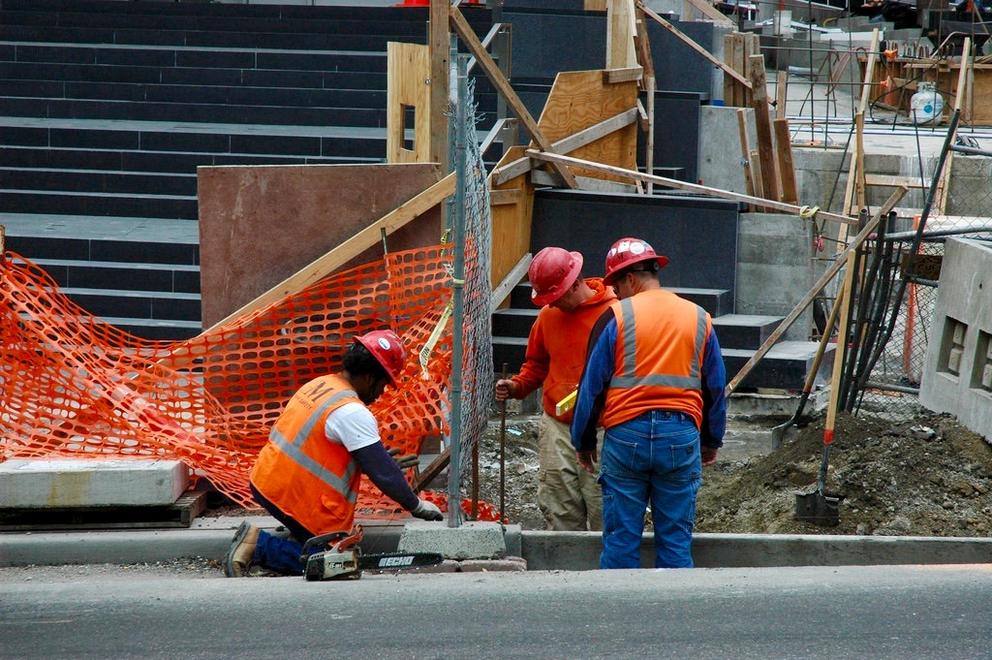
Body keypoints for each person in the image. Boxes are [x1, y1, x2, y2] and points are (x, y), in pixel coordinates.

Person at [225, 329, 443, 577]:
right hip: (292, 498)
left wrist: (374, 460)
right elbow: (383, 474)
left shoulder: (322, 384)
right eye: (384, 385)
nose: (381, 393)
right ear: (371, 378)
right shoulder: (352, 411)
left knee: (336, 550)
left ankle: (299, 536)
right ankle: (258, 546)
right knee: (339, 566)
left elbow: (322, 447)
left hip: (267, 482)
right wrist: (416, 505)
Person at [570, 237, 726, 569]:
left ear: (629, 278)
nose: (615, 293)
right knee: (675, 541)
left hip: (627, 436)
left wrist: (582, 441)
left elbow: (591, 387)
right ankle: (672, 615)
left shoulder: (616, 317)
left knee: (620, 539)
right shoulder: (699, 318)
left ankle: (619, 613)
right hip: (680, 437)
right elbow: (714, 388)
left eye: (616, 285)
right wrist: (711, 440)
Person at [495, 246, 617, 531]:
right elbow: (536, 365)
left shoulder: (615, 313)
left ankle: (610, 571)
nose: (553, 304)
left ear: (576, 283)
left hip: (603, 427)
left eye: (556, 297)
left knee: (604, 504)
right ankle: (565, 571)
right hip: (558, 426)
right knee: (560, 506)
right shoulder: (549, 317)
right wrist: (516, 386)